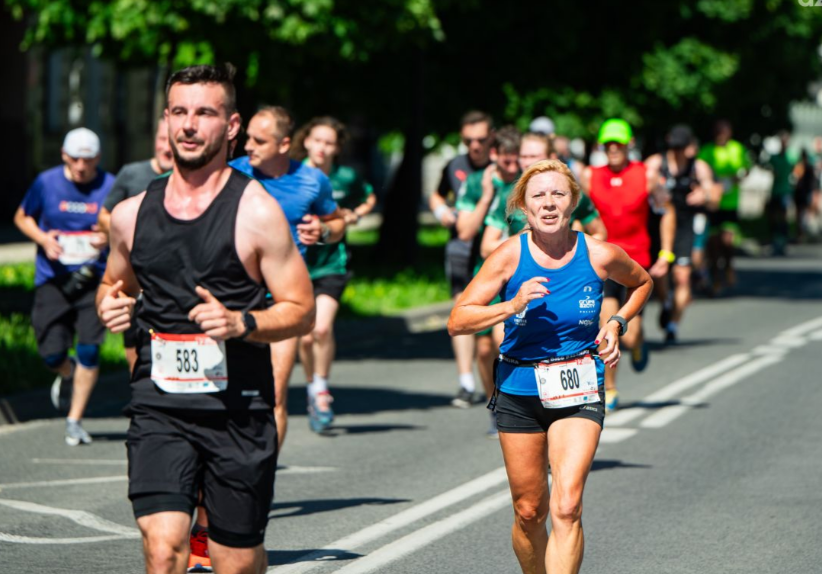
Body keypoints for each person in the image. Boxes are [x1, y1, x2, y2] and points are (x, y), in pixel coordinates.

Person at [97, 64, 315, 574]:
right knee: (164, 549)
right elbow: (113, 285)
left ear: (232, 125)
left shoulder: (256, 212)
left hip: (237, 409)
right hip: (159, 404)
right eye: (179, 112)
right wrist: (109, 304)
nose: (189, 125)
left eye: (204, 113)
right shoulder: (131, 214)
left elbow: (301, 309)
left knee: (234, 562)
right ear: (166, 120)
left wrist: (242, 324)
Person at [448, 159, 651, 574]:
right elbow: (458, 320)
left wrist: (617, 322)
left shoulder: (598, 253)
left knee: (567, 505)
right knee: (529, 511)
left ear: (573, 202)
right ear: (524, 207)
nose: (549, 203)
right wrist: (512, 304)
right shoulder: (509, 255)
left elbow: (642, 282)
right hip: (518, 388)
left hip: (579, 387)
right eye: (538, 195)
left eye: (558, 193)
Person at [229, 106, 345, 446]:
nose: (248, 145)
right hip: (233, 297)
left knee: (275, 395)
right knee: (227, 395)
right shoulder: (230, 175)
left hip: (282, 301)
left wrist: (324, 230)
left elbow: (337, 222)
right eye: (248, 137)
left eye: (259, 140)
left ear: (283, 144)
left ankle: (265, 473)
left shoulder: (312, 180)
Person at [14, 127, 114, 446]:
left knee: (89, 348)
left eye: (88, 160)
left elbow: (124, 226)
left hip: (94, 278)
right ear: (63, 156)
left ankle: (74, 420)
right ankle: (66, 370)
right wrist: (44, 239)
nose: (82, 166)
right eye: (75, 159)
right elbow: (21, 217)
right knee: (51, 353)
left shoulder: (110, 186)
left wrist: (107, 237)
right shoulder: (46, 182)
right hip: (53, 278)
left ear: (98, 158)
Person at [291, 116, 376, 432]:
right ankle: (311, 387)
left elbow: (368, 197)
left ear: (337, 148)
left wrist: (354, 215)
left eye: (329, 143)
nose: (322, 148)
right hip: (296, 264)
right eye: (317, 140)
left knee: (322, 328)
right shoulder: (291, 175)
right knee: (304, 335)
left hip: (332, 263)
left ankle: (322, 389)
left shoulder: (345, 177)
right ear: (306, 141)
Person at [583, 119, 674, 411]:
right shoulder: (589, 176)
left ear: (629, 144)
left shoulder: (647, 175)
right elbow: (578, 215)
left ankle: (639, 342)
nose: (613, 148)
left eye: (618, 143)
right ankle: (610, 388)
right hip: (603, 263)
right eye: (608, 143)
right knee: (607, 326)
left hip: (636, 266)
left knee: (630, 335)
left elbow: (667, 211)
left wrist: (666, 254)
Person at [452, 126, 521, 434]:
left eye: (516, 160)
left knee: (500, 340)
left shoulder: (524, 184)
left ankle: (514, 406)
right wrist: (487, 197)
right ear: (494, 156)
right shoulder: (477, 183)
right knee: (483, 351)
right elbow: (465, 231)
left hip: (516, 274)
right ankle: (494, 405)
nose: (512, 166)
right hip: (482, 270)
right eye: (506, 160)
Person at [429, 111, 494, 408]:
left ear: (491, 138)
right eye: (469, 141)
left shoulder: (502, 165)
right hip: (461, 247)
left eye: (480, 139)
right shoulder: (455, 165)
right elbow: (437, 195)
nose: (475, 146)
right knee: (461, 309)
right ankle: (466, 382)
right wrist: (441, 211)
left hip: (495, 249)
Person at [97, 118, 174, 372]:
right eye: (161, 140)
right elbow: (105, 216)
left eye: (171, 141)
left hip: (172, 286)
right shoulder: (132, 173)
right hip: (135, 279)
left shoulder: (195, 185)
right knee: (139, 363)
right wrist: (129, 235)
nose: (166, 148)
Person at [481, 131, 607, 261]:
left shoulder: (570, 194)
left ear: (552, 157)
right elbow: (486, 248)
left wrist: (574, 253)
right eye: (523, 156)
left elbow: (600, 233)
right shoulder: (509, 194)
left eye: (533, 156)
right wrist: (525, 239)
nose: (527, 163)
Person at [645, 125, 717, 343]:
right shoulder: (656, 164)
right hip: (659, 227)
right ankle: (666, 303)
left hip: (685, 226)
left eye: (681, 148)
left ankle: (673, 325)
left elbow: (715, 198)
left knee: (682, 277)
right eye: (673, 147)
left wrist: (705, 196)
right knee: (659, 274)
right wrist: (653, 188)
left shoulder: (698, 168)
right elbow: (641, 187)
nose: (676, 152)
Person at [697, 120, 750, 296]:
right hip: (713, 203)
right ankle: (715, 276)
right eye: (718, 132)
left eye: (724, 132)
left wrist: (736, 177)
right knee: (713, 243)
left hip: (730, 202)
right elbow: (698, 170)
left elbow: (746, 169)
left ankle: (728, 265)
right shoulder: (707, 150)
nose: (721, 136)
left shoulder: (737, 148)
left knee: (727, 240)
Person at [793, 148, 817, 244]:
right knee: (801, 214)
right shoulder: (800, 166)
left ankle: (803, 234)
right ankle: (801, 234)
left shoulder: (805, 167)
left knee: (803, 214)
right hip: (801, 193)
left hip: (804, 193)